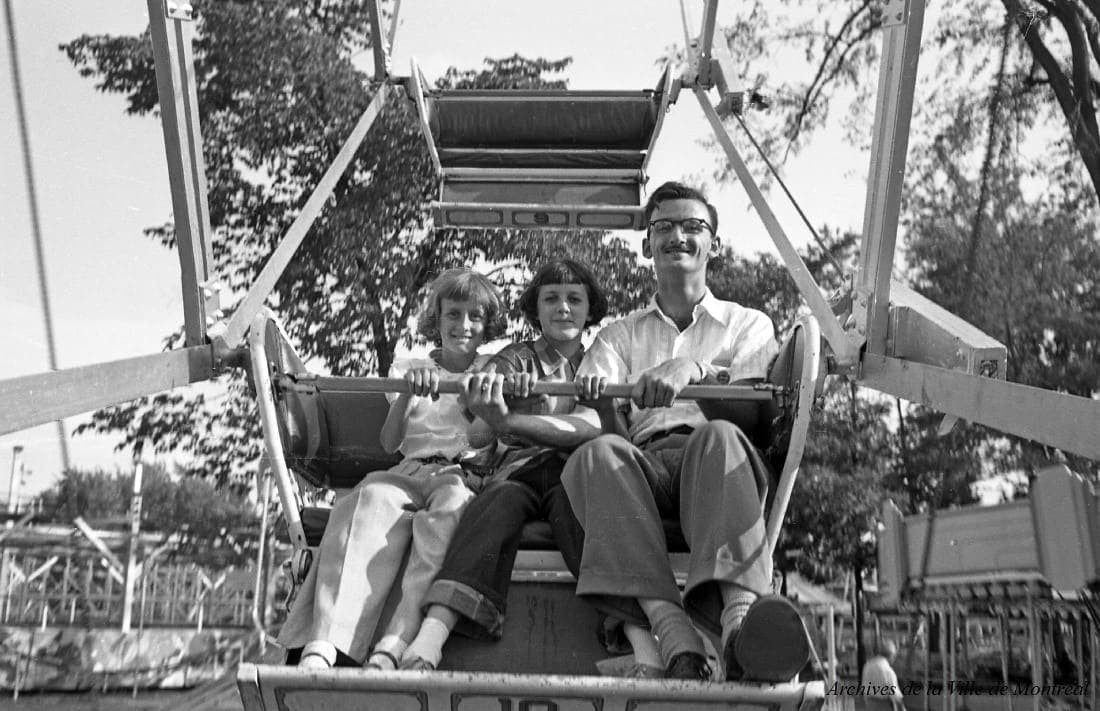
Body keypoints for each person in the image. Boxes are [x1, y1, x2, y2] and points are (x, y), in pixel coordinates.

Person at [560, 180, 810, 681]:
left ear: (713, 243)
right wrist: (601, 408)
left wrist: (693, 370)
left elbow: (751, 421)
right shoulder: (619, 336)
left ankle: (740, 622)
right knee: (596, 455)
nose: (679, 235)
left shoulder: (747, 325)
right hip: (644, 463)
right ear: (647, 243)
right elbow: (595, 424)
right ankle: (672, 630)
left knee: (716, 438)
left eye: (693, 226)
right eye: (664, 226)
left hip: (715, 462)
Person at [400, 259, 665, 671]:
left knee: (585, 521)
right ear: (535, 310)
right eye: (551, 299)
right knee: (494, 504)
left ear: (589, 309)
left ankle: (639, 643)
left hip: (574, 476)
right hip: (518, 471)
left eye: (574, 299)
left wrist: (522, 418)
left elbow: (604, 435)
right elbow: (477, 429)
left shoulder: (603, 362)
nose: (563, 308)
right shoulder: (516, 359)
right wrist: (495, 402)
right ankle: (433, 634)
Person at [277, 268, 507, 670]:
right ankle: (326, 642)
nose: (463, 325)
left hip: (459, 474)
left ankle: (394, 642)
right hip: (409, 469)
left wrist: (477, 401)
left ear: (487, 324)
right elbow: (389, 443)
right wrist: (405, 395)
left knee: (447, 519)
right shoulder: (410, 366)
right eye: (453, 314)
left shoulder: (492, 368)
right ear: (436, 318)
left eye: (474, 316)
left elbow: (480, 440)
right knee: (367, 499)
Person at [862, 640, 905, 710]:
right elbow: (895, 695)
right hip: (883, 705)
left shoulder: (868, 665)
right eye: (894, 657)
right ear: (891, 655)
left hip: (869, 703)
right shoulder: (887, 670)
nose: (894, 659)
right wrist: (903, 708)